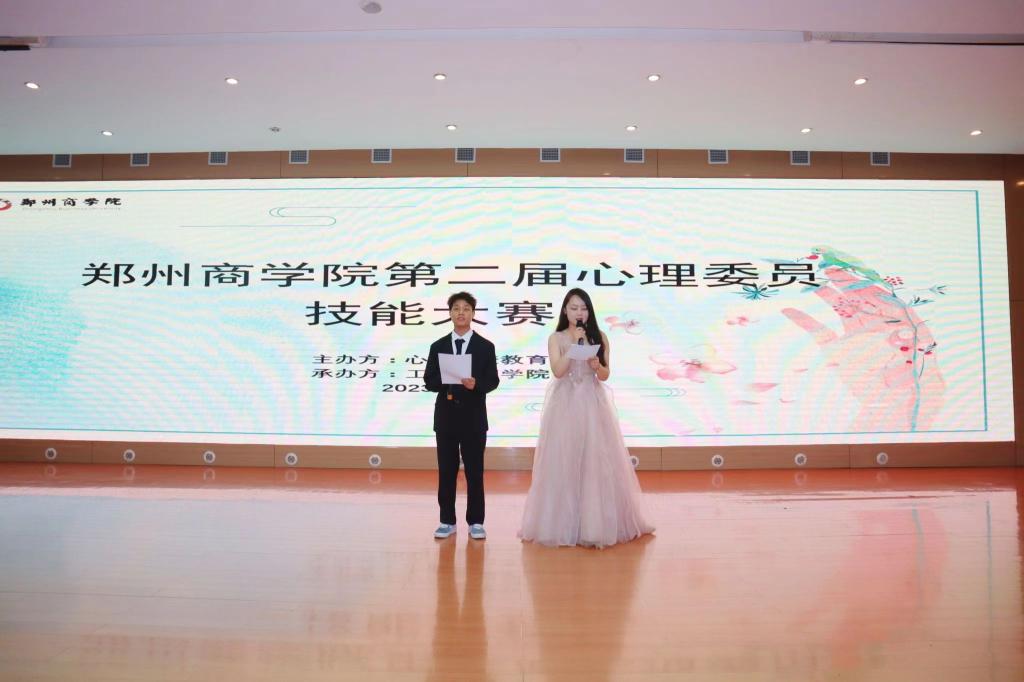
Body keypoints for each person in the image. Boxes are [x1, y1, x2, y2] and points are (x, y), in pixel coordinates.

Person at [519, 288, 654, 548]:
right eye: (573, 308)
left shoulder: (600, 337)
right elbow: (557, 371)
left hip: (592, 404)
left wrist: (596, 365)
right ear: (565, 311)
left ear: (589, 311)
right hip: (565, 405)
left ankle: (594, 525)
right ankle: (562, 524)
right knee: (564, 460)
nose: (579, 313)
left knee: (595, 461)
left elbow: (605, 375)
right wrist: (573, 348)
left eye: (583, 308)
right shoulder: (556, 338)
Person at [424, 292, 500, 540]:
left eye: (466, 309)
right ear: (450, 314)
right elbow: (429, 381)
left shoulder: (485, 347)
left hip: (474, 418)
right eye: (456, 308)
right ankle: (447, 520)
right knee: (446, 471)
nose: (461, 313)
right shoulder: (438, 346)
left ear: (473, 314)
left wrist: (475, 384)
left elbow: (493, 381)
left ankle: (476, 521)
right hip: (446, 418)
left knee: (475, 472)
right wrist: (447, 379)